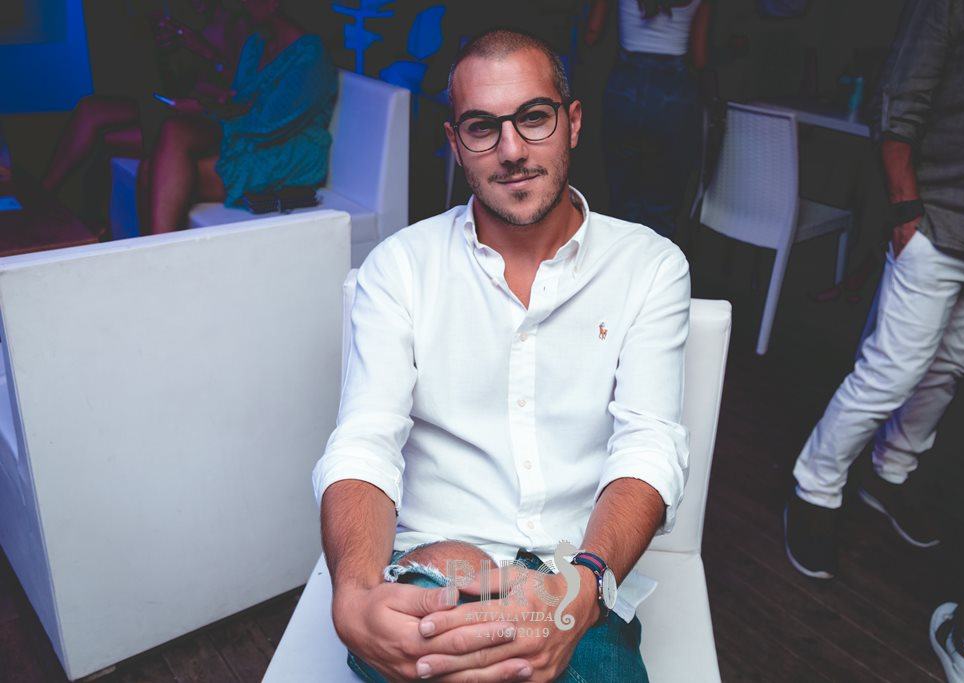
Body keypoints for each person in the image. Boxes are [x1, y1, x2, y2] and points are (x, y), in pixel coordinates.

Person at [313, 28, 692, 683]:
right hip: (431, 565)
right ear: (455, 141)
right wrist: (351, 591)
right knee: (420, 647)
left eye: (534, 117)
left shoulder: (650, 266)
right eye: (483, 127)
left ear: (573, 122)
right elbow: (364, 440)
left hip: (577, 576)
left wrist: (584, 584)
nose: (512, 150)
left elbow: (648, 445)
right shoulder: (400, 267)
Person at [784, 0, 964, 581]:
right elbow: (899, 102)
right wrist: (905, 210)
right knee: (891, 373)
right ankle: (814, 488)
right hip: (940, 226)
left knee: (949, 370)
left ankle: (890, 473)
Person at [39, 0, 247, 235]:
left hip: (209, 121)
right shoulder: (193, 22)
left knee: (106, 139)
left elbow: (243, 91)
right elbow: (182, 84)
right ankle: (41, 197)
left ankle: (100, 226)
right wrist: (168, 54)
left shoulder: (238, 24)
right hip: (180, 108)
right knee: (91, 109)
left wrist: (204, 51)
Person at [141, 0, 337, 233]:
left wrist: (206, 110)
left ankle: (157, 252)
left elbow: (268, 125)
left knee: (162, 155)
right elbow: (241, 99)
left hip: (285, 153)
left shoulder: (310, 54)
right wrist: (213, 101)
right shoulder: (258, 43)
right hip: (250, 139)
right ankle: (154, 250)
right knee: (162, 148)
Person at [584, 0, 711, 239]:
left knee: (622, 197)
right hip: (673, 95)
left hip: (625, 88)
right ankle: (657, 259)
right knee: (663, 200)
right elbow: (699, 58)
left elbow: (592, 32)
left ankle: (622, 258)